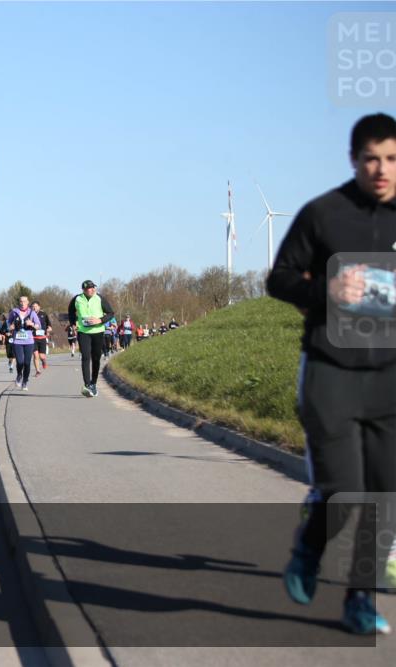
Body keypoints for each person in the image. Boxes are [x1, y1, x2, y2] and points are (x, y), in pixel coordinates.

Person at [269, 112, 396, 635]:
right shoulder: (323, 214)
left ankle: (361, 600)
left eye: (391, 159)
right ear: (353, 160)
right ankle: (310, 547)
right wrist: (325, 290)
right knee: (345, 493)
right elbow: (278, 279)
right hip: (332, 371)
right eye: (371, 158)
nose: (382, 169)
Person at [68, 280, 115, 397]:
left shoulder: (99, 298)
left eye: (93, 288)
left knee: (96, 358)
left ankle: (93, 383)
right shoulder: (77, 299)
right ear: (84, 290)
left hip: (98, 332)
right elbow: (70, 312)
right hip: (83, 332)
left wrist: (100, 320)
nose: (92, 290)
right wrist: (73, 323)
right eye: (89, 288)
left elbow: (110, 313)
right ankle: (87, 384)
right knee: (85, 356)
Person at [7, 295, 41, 391]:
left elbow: (39, 326)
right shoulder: (14, 312)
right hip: (17, 341)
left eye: (24, 301)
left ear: (27, 302)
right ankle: (19, 375)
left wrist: (32, 324)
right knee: (20, 362)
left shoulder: (32, 313)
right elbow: (8, 323)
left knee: (27, 363)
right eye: (21, 301)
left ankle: (25, 381)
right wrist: (10, 327)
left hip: (29, 341)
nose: (22, 303)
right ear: (19, 302)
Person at [31, 301, 53, 376]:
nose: (34, 308)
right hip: (33, 337)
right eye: (33, 306)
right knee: (35, 355)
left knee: (41, 356)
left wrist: (49, 329)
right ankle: (38, 371)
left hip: (42, 337)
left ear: (39, 307)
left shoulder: (43, 314)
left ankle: (44, 361)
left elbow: (49, 325)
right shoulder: (29, 315)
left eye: (36, 306)